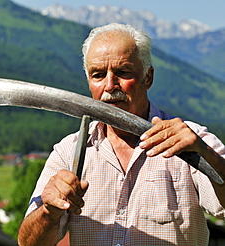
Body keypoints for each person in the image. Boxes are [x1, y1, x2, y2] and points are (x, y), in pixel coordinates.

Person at [17, 23, 225, 246]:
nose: (109, 85)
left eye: (123, 72)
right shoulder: (70, 151)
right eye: (98, 75)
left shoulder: (189, 142)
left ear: (148, 77)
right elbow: (28, 243)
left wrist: (206, 155)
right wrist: (49, 211)